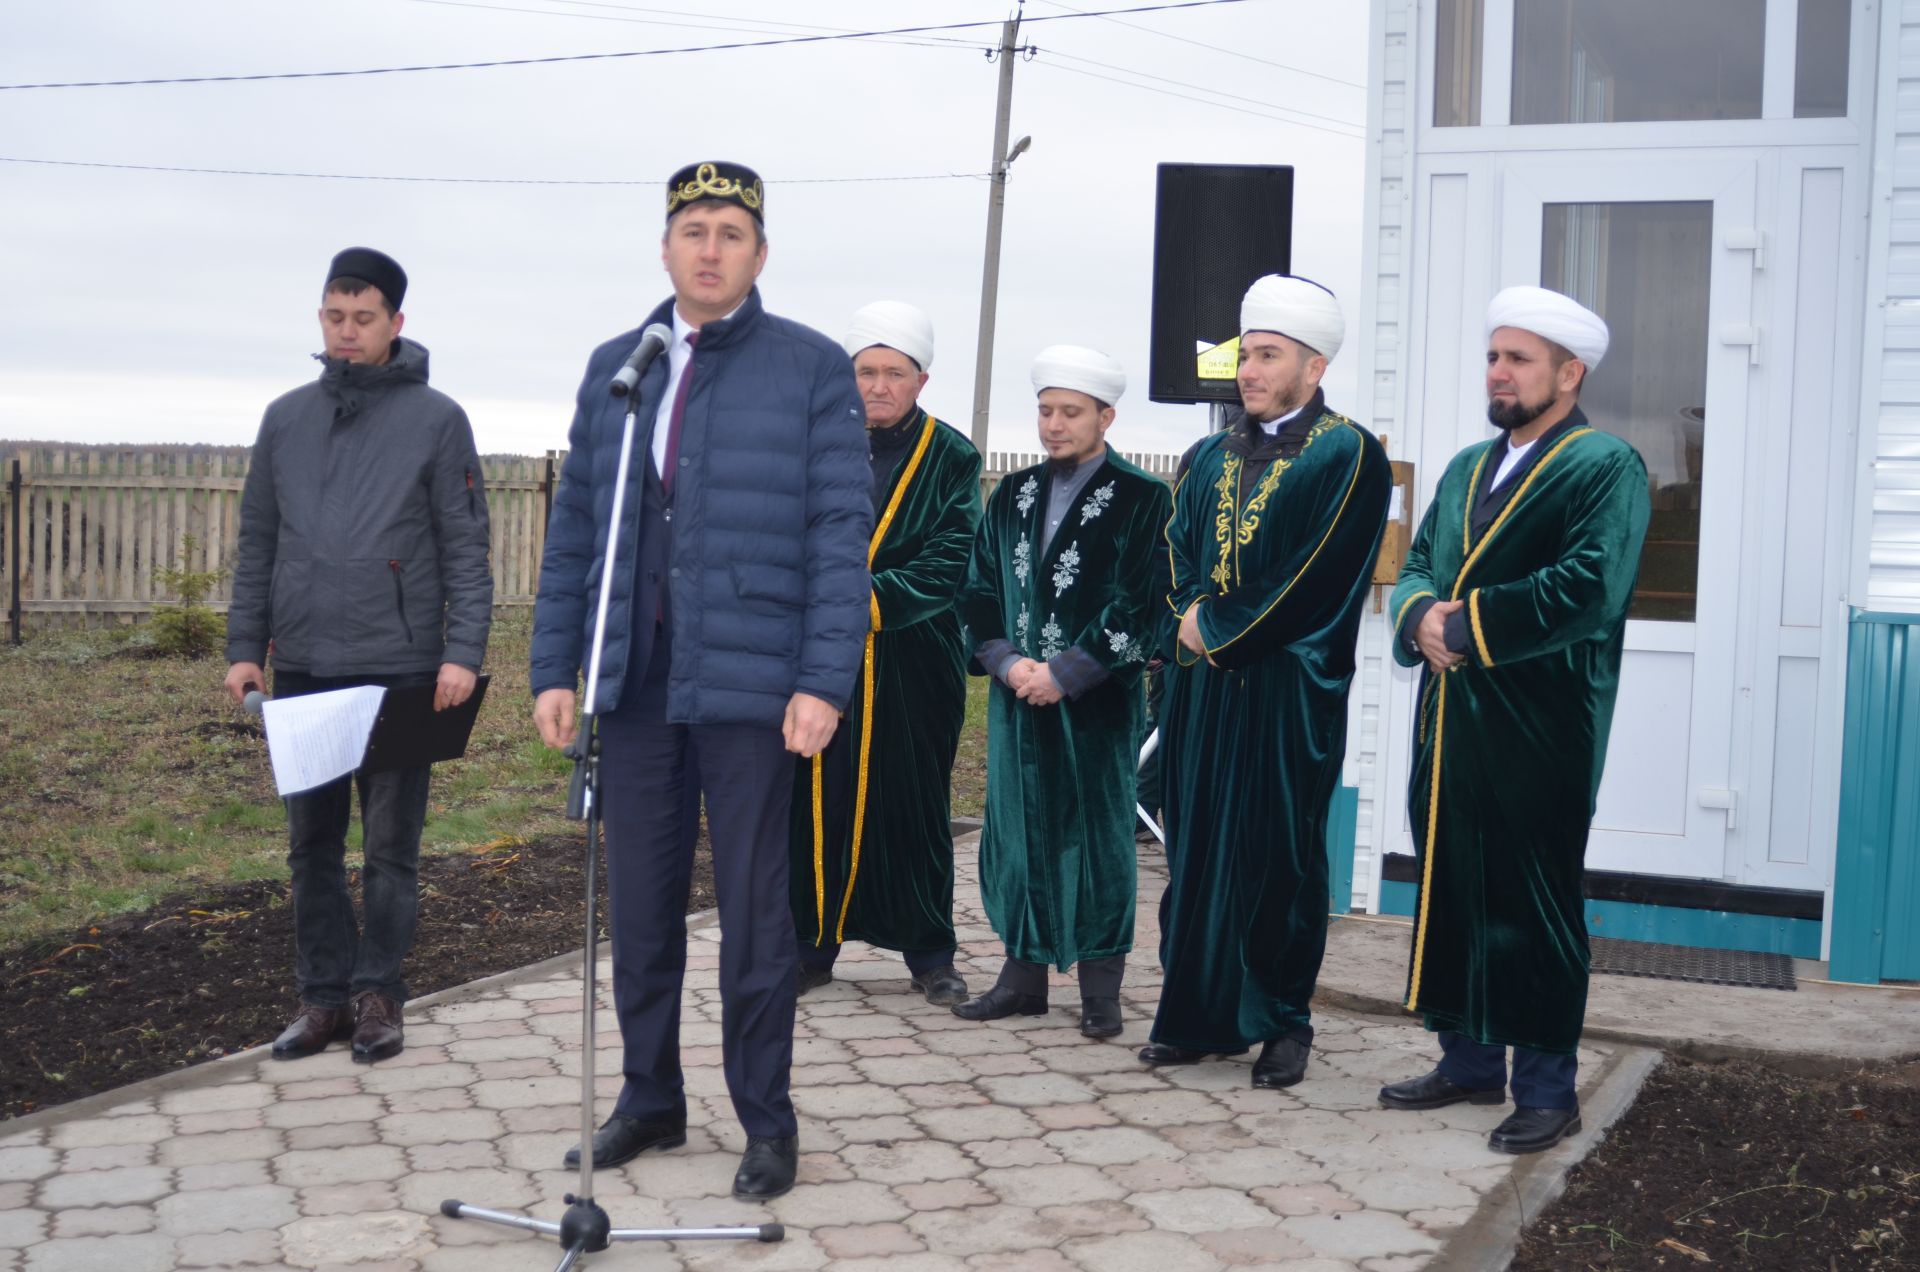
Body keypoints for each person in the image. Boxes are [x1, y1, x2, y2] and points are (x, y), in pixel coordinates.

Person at [529, 161, 869, 1201]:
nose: (710, 249)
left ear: (760, 254)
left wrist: (823, 679)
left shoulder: (811, 368)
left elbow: (837, 535)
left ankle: (767, 1121)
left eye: (730, 232)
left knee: (759, 919)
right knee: (639, 906)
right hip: (634, 685)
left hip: (757, 690)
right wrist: (557, 665)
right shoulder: (618, 369)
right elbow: (578, 528)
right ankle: (649, 1098)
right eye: (692, 231)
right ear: (665, 248)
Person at [1378, 285, 1650, 1155]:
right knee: (1453, 885)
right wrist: (1417, 615)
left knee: (1532, 905)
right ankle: (1466, 1061)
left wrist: (1462, 624)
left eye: (1518, 359)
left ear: (1568, 374)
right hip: (1449, 724)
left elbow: (1590, 587)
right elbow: (1419, 561)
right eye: (1493, 356)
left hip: (1542, 729)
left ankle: (1546, 1088)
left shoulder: (1604, 465)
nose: (1497, 373)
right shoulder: (1463, 468)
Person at [224, 247, 493, 1065]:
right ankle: (322, 1000)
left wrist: (462, 651)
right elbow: (259, 541)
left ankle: (378, 994)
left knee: (388, 847)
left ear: (395, 324)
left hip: (400, 665)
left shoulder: (437, 420)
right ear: (321, 318)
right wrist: (245, 648)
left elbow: (466, 547)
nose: (347, 331)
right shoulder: (285, 418)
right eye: (335, 317)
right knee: (311, 845)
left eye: (364, 318)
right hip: (304, 663)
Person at [1142, 275, 1391, 1088]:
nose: (1247, 369)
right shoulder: (1206, 454)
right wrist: (1188, 615)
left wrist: (1212, 627)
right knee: (1200, 849)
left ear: (1313, 368)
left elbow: (1314, 578)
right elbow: (1173, 550)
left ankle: (1285, 1021)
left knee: (1279, 857)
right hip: (1204, 694)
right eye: (1245, 354)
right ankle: (1198, 1018)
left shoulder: (1349, 454)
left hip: (1289, 692)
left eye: (1267, 355)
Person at [954, 346, 1171, 1040]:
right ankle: (1022, 979)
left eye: (1070, 412)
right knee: (1016, 834)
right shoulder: (1011, 495)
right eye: (1046, 410)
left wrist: (1067, 673)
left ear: (1106, 415)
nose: (1054, 424)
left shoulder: (1144, 498)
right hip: (1018, 701)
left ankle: (1100, 991)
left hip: (1097, 708)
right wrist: (1007, 662)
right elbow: (979, 590)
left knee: (1098, 841)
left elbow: (1143, 604)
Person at [789, 302, 982, 1005]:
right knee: (814, 800)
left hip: (911, 659)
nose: (877, 385)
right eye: (864, 371)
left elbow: (948, 560)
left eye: (892, 373)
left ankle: (930, 953)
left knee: (912, 802)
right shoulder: (809, 446)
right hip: (817, 662)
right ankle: (809, 949)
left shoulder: (951, 456)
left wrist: (853, 601)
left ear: (921, 378)